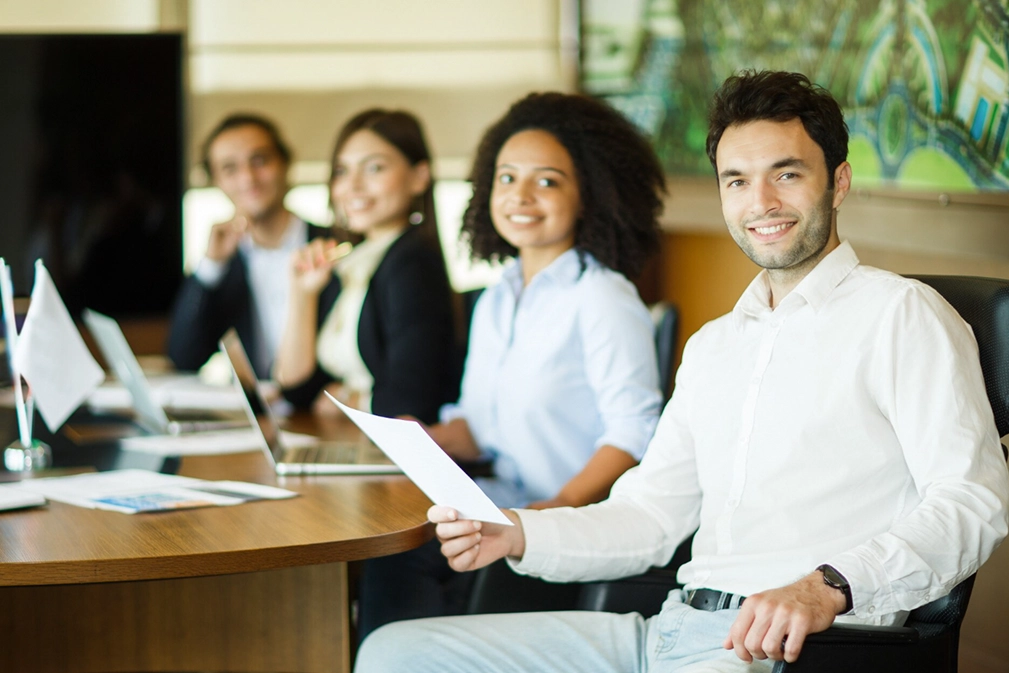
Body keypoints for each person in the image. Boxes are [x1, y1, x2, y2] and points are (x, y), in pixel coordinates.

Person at [355, 71, 1009, 673]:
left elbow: (972, 499)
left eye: (786, 174)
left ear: (837, 182)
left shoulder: (902, 315)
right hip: (668, 630)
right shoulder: (713, 345)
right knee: (398, 651)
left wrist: (828, 584)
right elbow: (647, 516)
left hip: (786, 646)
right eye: (736, 179)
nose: (760, 202)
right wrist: (518, 530)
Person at [355, 92, 666, 640]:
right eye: (506, 178)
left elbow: (636, 431)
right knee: (383, 540)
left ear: (587, 195)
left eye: (547, 181)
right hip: (502, 504)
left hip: (558, 527)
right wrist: (421, 439)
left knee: (397, 560)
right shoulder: (498, 296)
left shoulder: (603, 297)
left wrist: (558, 508)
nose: (520, 196)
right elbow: (481, 424)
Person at [272, 109, 457, 422]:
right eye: (342, 171)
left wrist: (344, 396)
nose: (353, 186)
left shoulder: (412, 263)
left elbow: (409, 401)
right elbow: (296, 388)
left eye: (374, 168)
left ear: (419, 177)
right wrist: (302, 292)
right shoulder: (354, 261)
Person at [167, 114, 337, 406]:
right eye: (230, 169)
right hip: (258, 422)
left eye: (259, 160)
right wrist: (210, 267)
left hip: (324, 415)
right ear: (216, 181)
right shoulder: (224, 265)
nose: (248, 178)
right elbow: (184, 357)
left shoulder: (333, 246)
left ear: (285, 164)